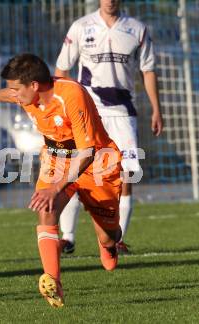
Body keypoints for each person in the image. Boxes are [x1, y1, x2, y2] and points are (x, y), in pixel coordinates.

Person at [0, 53, 123, 308]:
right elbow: (9, 94)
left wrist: (55, 188)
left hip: (96, 162)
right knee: (46, 210)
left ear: (34, 86)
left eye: (16, 88)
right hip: (56, 159)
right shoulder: (26, 93)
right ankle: (54, 284)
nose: (14, 94)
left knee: (108, 234)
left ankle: (110, 243)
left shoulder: (71, 95)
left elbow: (86, 153)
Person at [54, 0, 163, 254]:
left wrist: (156, 108)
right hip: (88, 113)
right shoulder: (81, 27)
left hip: (123, 114)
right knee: (77, 172)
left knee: (127, 174)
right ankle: (67, 237)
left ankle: (117, 239)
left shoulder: (137, 29)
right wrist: (69, 104)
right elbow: (61, 70)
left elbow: (148, 70)